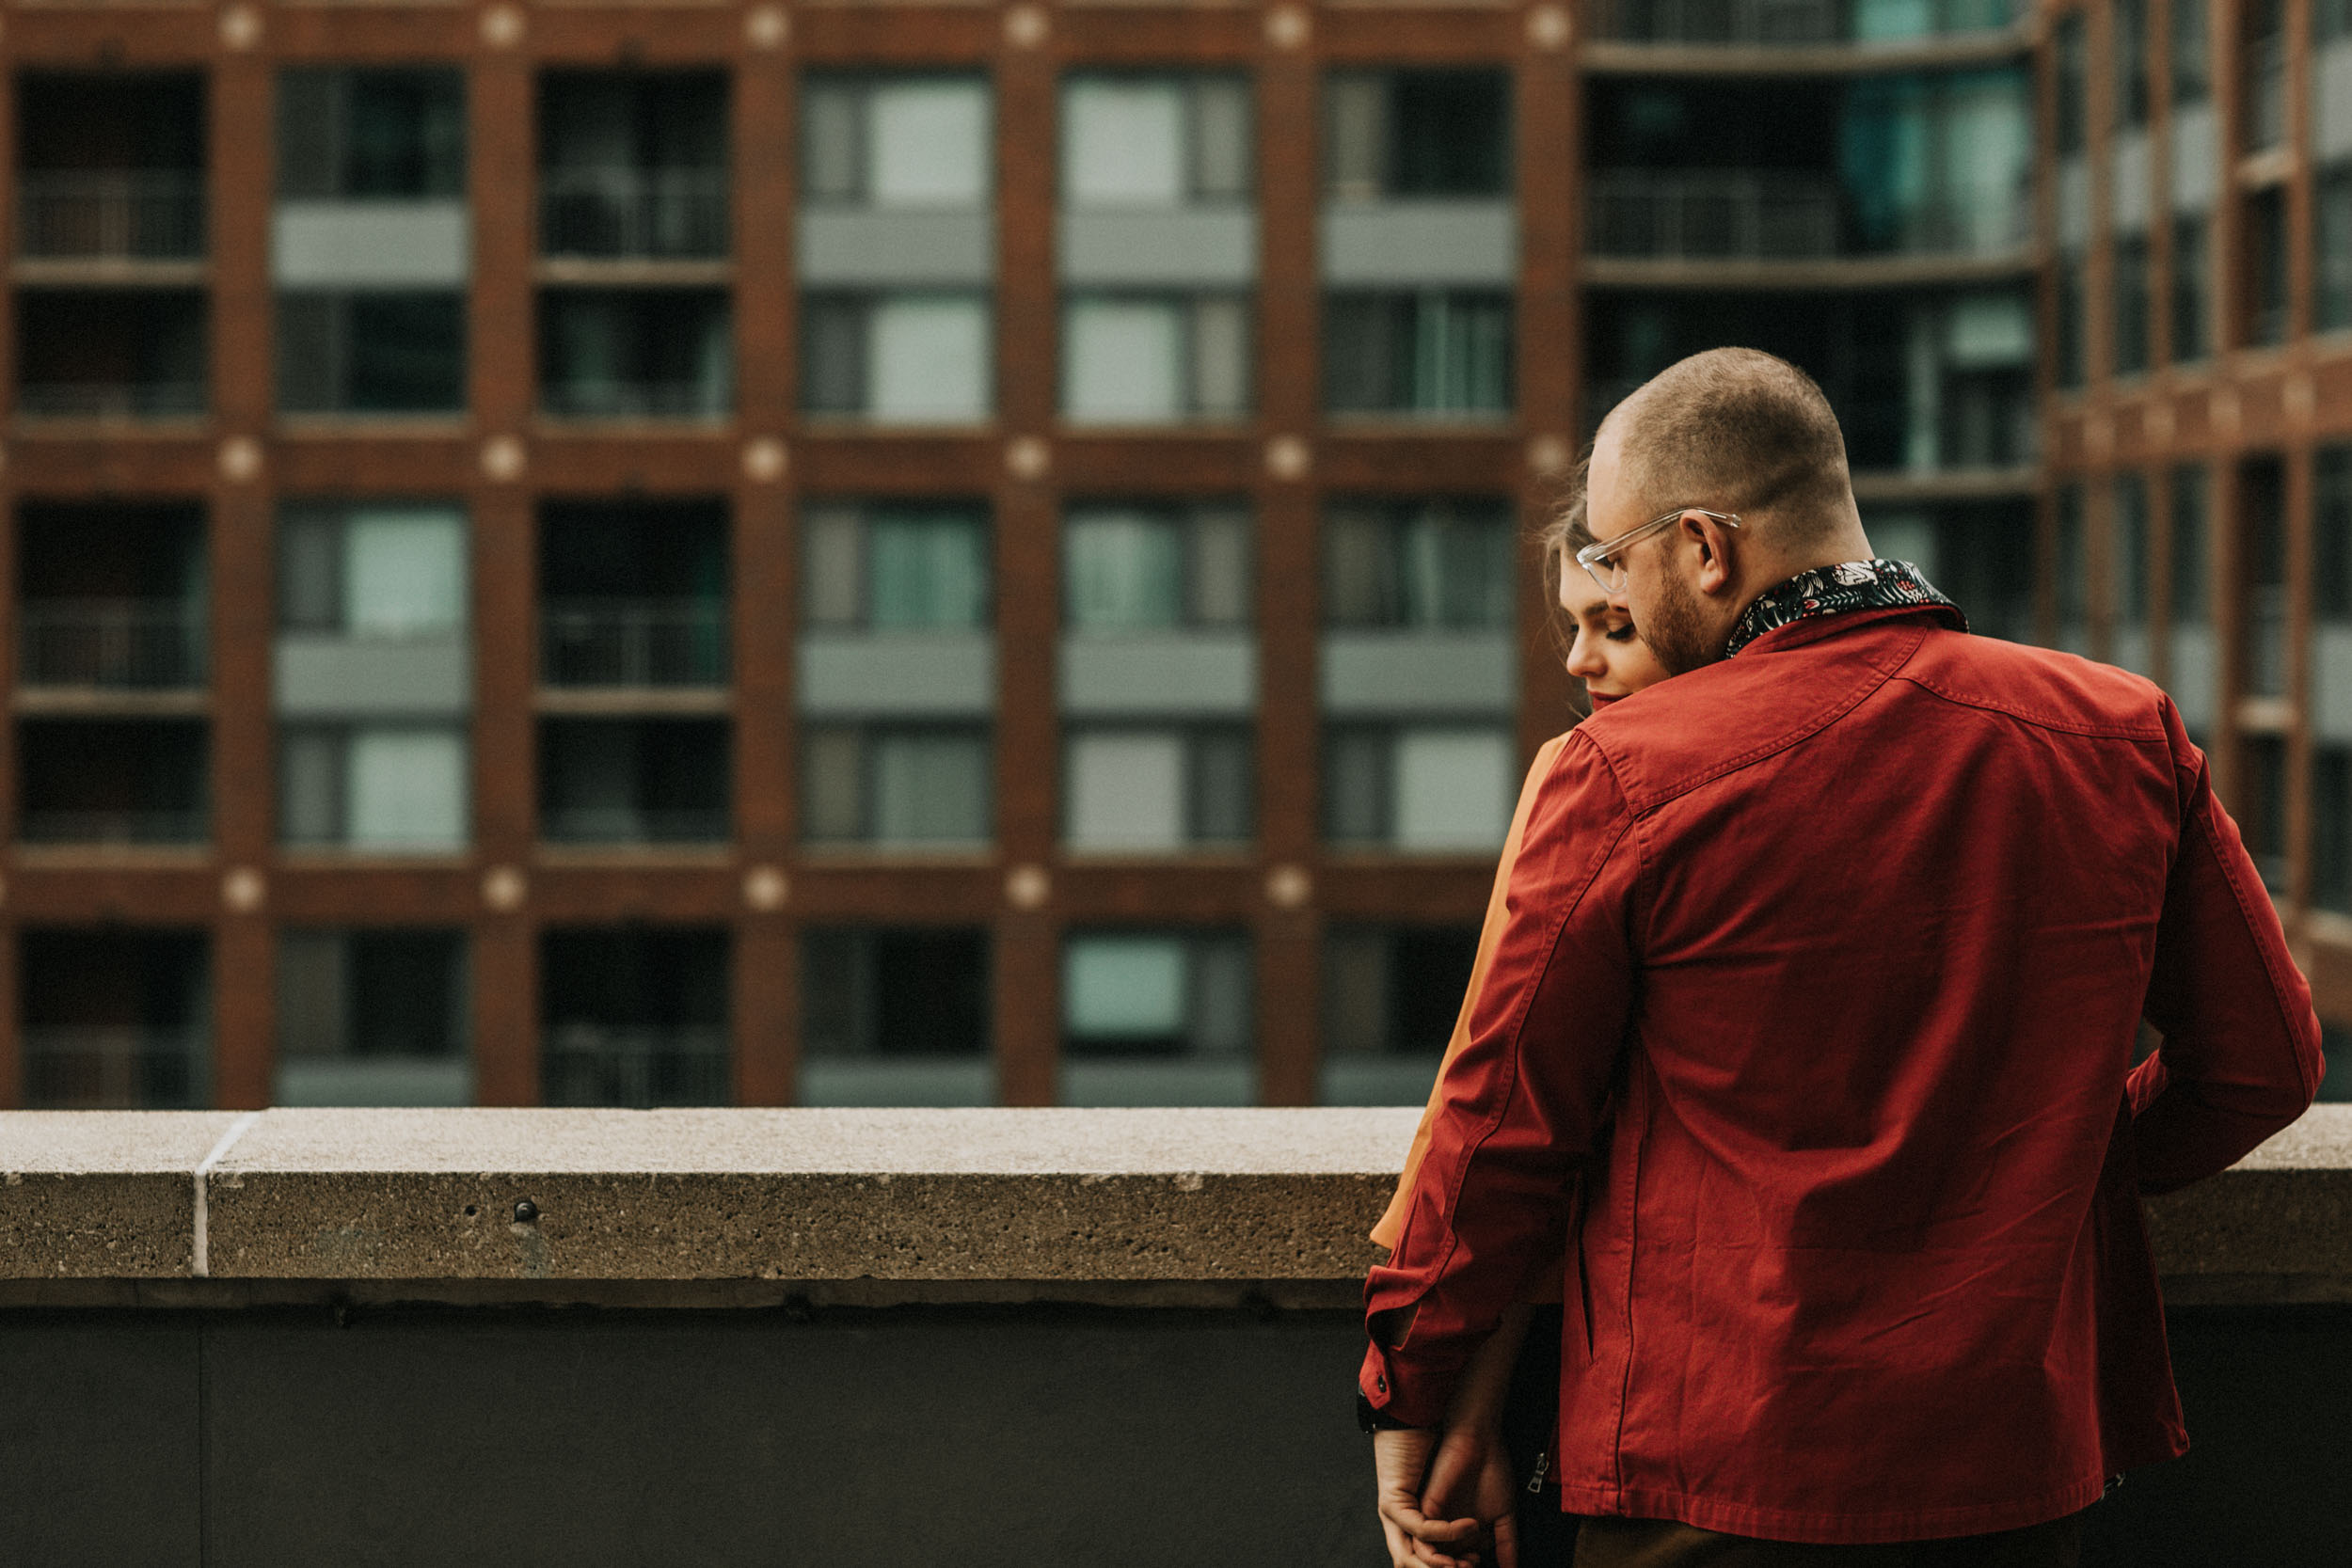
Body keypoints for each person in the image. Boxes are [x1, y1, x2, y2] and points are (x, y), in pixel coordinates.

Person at [1359, 348, 2323, 1566]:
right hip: (2016, 1461)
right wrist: (2029, 1175)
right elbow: (2264, 1066)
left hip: (1715, 1472)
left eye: (1617, 554)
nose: (1601, 592)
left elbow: (1499, 1133)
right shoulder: (2120, 730)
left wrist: (1410, 1387)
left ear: (1704, 548)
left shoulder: (1628, 770)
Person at [1371, 481, 1672, 1568]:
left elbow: (1502, 1113)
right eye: (1574, 624)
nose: (1578, 661)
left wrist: (1423, 1404)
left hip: (1663, 1417)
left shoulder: (1599, 777)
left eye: (1616, 625)